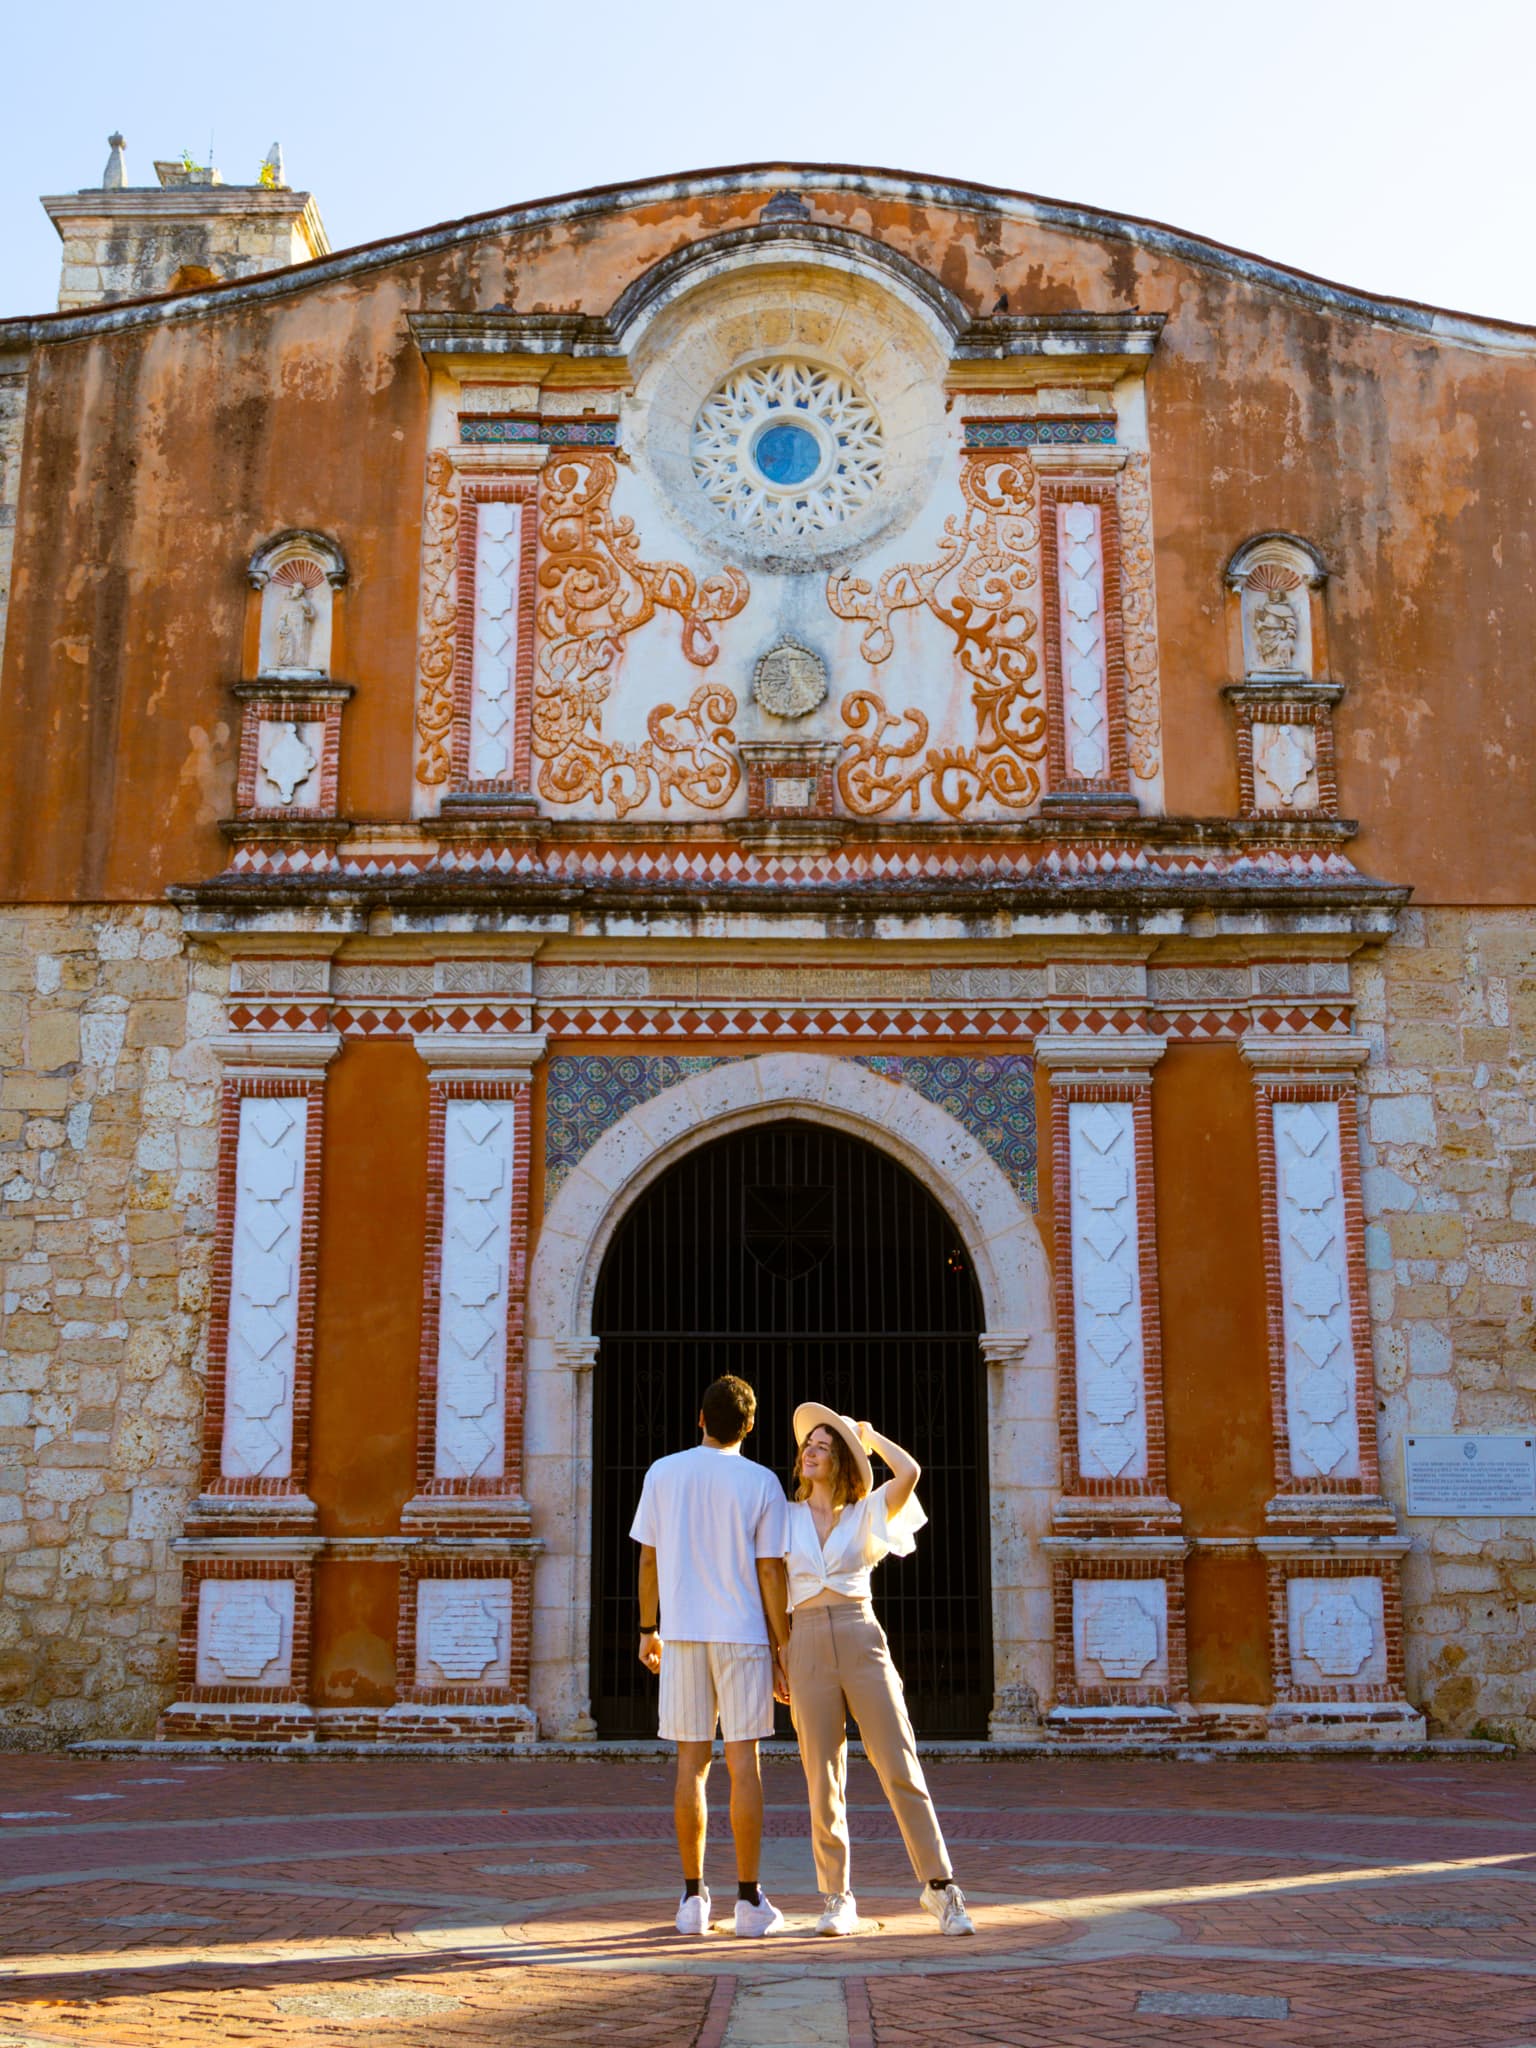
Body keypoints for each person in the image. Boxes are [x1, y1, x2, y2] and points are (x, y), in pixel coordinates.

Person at [783, 1404, 976, 1938]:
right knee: (821, 1775)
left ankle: (940, 1888)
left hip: (860, 1632)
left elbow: (910, 1473)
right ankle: (837, 1896)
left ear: (841, 1459)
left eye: (823, 1443)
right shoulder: (784, 1517)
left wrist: (867, 1435)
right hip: (805, 1640)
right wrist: (780, 1652)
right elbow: (771, 1586)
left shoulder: (866, 1511)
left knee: (898, 1761)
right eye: (808, 1444)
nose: (811, 1449)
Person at [631, 1373, 791, 1938]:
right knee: (743, 1765)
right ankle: (749, 1901)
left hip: (682, 1633)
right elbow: (771, 1570)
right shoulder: (763, 1483)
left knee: (690, 1767)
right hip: (743, 1634)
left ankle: (693, 1898)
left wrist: (649, 1629)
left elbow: (648, 1560)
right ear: (750, 1425)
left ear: (700, 1419)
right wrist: (783, 1645)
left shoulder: (662, 1473)